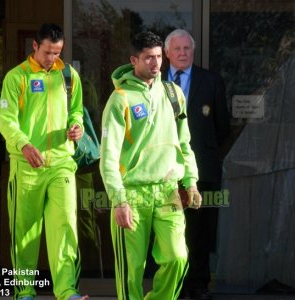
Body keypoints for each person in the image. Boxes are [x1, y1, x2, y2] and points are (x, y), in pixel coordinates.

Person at [99, 31, 202, 300]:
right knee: (131, 271)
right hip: (131, 193)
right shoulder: (119, 99)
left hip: (168, 190)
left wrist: (191, 181)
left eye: (158, 57)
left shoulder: (173, 93)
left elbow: (185, 142)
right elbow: (108, 156)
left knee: (178, 258)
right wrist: (118, 199)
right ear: (134, 60)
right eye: (149, 58)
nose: (156, 64)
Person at [0, 23, 88, 300]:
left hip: (62, 163)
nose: (52, 58)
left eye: (57, 52)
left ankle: (67, 291)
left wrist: (77, 127)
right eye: (48, 52)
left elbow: (77, 112)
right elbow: (7, 121)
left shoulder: (69, 75)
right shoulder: (17, 77)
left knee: (65, 229)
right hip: (26, 167)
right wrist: (23, 145)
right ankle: (24, 292)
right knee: (25, 234)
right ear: (35, 47)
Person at [163, 29, 230, 300]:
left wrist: (205, 153)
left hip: (202, 168)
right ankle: (170, 286)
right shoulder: (154, 82)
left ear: (193, 51)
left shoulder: (211, 81)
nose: (182, 54)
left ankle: (198, 285)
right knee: (167, 231)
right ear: (167, 53)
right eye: (177, 49)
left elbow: (223, 126)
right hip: (163, 169)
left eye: (187, 49)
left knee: (200, 231)